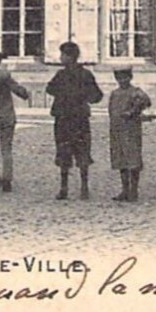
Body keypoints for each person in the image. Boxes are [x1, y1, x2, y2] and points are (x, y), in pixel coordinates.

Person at [45, 41, 102, 200]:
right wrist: (83, 97)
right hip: (80, 117)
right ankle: (84, 188)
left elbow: (50, 89)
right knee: (82, 151)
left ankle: (64, 188)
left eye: (63, 55)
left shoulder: (61, 75)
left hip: (64, 118)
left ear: (70, 57)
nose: (61, 58)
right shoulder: (86, 74)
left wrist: (64, 95)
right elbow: (97, 96)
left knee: (64, 151)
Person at [0, 49, 30, 194]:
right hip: (7, 115)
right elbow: (19, 91)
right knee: (6, 148)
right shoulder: (5, 75)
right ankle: (7, 180)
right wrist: (25, 93)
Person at [107, 66, 152, 201]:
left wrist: (133, 111)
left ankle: (134, 189)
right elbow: (111, 110)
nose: (122, 80)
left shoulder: (136, 92)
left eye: (125, 77)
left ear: (130, 77)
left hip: (131, 129)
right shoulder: (115, 94)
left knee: (133, 159)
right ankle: (124, 189)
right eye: (119, 78)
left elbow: (146, 102)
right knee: (121, 160)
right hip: (117, 130)